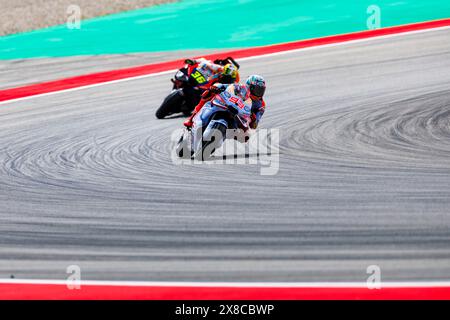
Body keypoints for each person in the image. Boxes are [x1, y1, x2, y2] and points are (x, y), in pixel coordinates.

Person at [184, 75, 266, 130]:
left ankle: (214, 142)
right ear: (249, 86)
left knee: (246, 137)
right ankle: (191, 119)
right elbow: (226, 86)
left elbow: (254, 126)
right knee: (208, 94)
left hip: (239, 118)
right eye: (257, 89)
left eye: (261, 90)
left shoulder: (261, 105)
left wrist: (253, 119)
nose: (259, 93)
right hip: (227, 104)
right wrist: (217, 87)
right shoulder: (240, 87)